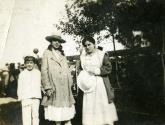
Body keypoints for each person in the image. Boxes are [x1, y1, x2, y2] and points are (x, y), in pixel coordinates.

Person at [77, 36, 118, 125]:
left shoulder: (101, 54)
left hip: (100, 84)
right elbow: (80, 68)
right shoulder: (83, 56)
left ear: (94, 44)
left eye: (89, 44)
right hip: (88, 85)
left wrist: (96, 71)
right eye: (85, 45)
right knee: (90, 105)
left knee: (101, 104)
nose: (87, 47)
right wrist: (83, 75)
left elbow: (108, 68)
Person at [41, 34, 75, 125]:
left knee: (67, 110)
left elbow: (67, 69)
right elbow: (44, 70)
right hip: (54, 85)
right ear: (51, 42)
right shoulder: (47, 53)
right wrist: (47, 87)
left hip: (65, 86)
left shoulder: (62, 54)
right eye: (54, 41)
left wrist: (70, 82)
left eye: (59, 41)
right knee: (57, 112)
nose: (57, 43)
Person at [17, 56, 42, 125]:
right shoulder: (22, 74)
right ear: (25, 64)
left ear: (34, 64)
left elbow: (40, 84)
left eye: (31, 63)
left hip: (35, 97)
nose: (29, 64)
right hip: (26, 98)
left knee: (35, 116)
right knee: (26, 116)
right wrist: (20, 97)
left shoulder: (38, 73)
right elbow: (20, 87)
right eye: (27, 63)